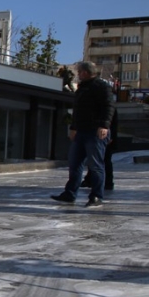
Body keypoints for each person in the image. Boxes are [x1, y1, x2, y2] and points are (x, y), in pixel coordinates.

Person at [51, 61, 114, 208]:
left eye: (79, 72)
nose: (78, 75)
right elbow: (78, 111)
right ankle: (70, 193)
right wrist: (73, 127)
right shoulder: (82, 88)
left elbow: (109, 107)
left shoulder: (101, 86)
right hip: (81, 131)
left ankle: (97, 196)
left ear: (85, 73)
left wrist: (104, 125)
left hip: (95, 131)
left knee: (95, 165)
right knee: (74, 164)